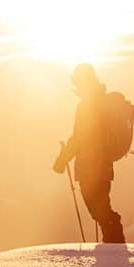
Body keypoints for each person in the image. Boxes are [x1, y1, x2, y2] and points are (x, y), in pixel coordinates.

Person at [53, 63, 125, 243]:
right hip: (104, 166)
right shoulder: (101, 102)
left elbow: (80, 137)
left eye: (77, 83)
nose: (76, 87)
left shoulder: (88, 105)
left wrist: (62, 160)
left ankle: (114, 249)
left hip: (90, 167)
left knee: (99, 211)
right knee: (101, 210)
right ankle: (112, 246)